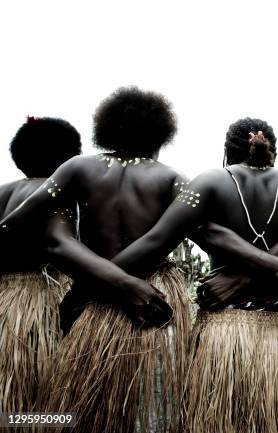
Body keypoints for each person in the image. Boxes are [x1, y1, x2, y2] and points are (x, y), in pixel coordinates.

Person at [105, 117, 278, 433]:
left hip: (222, 334)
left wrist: (96, 284)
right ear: (274, 152)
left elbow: (157, 239)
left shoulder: (208, 182)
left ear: (227, 153)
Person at [0, 87, 190, 433]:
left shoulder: (73, 172)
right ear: (160, 133)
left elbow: (24, 230)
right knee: (142, 404)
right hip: (136, 297)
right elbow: (202, 233)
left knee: (48, 400)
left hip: (44, 302)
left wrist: (86, 285)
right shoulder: (172, 178)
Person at [0, 117, 81, 415]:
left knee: (11, 394)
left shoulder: (4, 191)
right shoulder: (57, 193)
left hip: (6, 304)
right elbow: (61, 245)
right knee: (44, 394)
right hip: (41, 303)